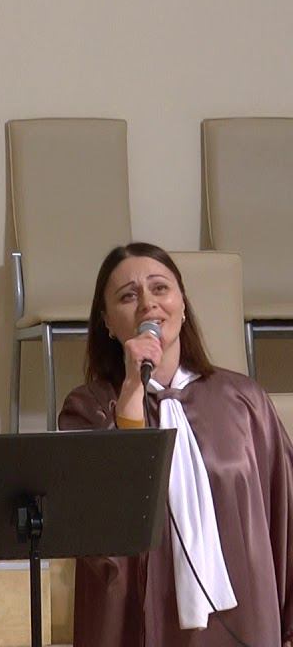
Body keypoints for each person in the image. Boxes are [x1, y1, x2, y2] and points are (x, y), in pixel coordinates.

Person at [60, 242, 293, 646]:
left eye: (160, 288)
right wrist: (132, 389)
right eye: (128, 296)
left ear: (182, 305)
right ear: (107, 323)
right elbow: (105, 521)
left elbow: (285, 514)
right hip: (136, 620)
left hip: (243, 617)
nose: (148, 303)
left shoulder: (244, 401)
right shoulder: (88, 409)